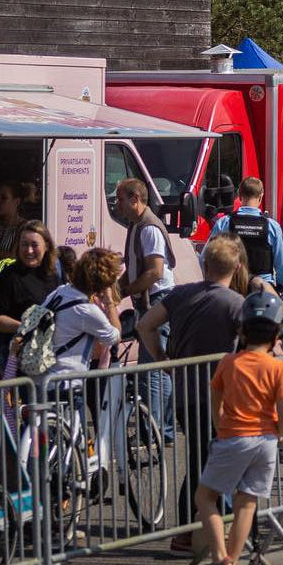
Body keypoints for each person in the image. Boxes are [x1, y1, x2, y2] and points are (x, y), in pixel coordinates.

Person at [139, 235, 283, 552]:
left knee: (197, 460)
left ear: (205, 264)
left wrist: (164, 360)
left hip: (185, 391)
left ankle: (189, 532)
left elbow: (145, 325)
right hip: (226, 395)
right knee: (228, 467)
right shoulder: (237, 304)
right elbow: (282, 327)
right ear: (237, 267)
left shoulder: (179, 294)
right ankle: (228, 537)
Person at [192, 292, 283, 565]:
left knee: (206, 497)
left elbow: (216, 398)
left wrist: (219, 422)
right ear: (277, 332)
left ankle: (220, 559)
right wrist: (278, 430)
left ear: (242, 330)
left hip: (235, 435)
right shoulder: (278, 367)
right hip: (266, 440)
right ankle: (229, 564)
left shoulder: (229, 363)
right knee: (246, 503)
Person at [114, 177, 176, 437]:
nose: (116, 204)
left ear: (135, 200)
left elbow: (154, 272)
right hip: (151, 301)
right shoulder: (137, 225)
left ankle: (155, 432)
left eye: (119, 199)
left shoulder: (148, 228)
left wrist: (125, 290)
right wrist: (117, 288)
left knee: (153, 368)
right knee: (156, 366)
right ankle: (163, 429)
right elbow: (135, 268)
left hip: (158, 299)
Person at [32, 247, 122, 382]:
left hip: (42, 379)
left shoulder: (60, 292)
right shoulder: (86, 310)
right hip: (67, 384)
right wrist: (110, 303)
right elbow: (115, 337)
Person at [0, 220, 59, 370]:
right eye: (24, 244)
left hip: (50, 357)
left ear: (47, 246)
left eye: (34, 245)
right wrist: (30, 326)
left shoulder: (53, 276)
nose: (29, 250)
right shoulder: (8, 277)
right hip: (19, 360)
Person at [210, 176, 283, 290]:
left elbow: (206, 258)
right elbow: (282, 267)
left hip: (232, 289)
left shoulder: (224, 223)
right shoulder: (272, 226)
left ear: (239, 195)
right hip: (262, 291)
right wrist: (281, 290)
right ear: (261, 196)